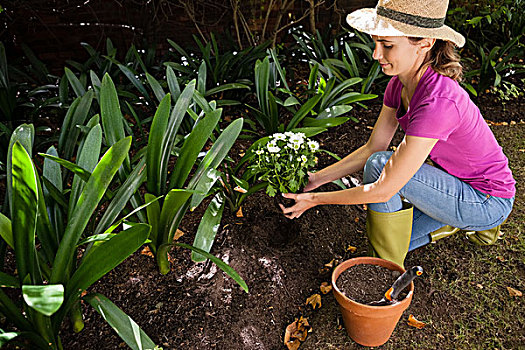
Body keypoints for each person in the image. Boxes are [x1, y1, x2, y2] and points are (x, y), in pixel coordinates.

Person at [280, 0, 515, 267]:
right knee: (393, 236)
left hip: (486, 200)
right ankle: (444, 223)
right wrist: (316, 179)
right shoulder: (399, 85)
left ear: (425, 43)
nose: (376, 55)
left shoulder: (438, 102)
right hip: (453, 185)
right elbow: (373, 147)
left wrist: (314, 200)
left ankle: (385, 273)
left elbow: (383, 189)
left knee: (382, 219)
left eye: (388, 46)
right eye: (376, 43)